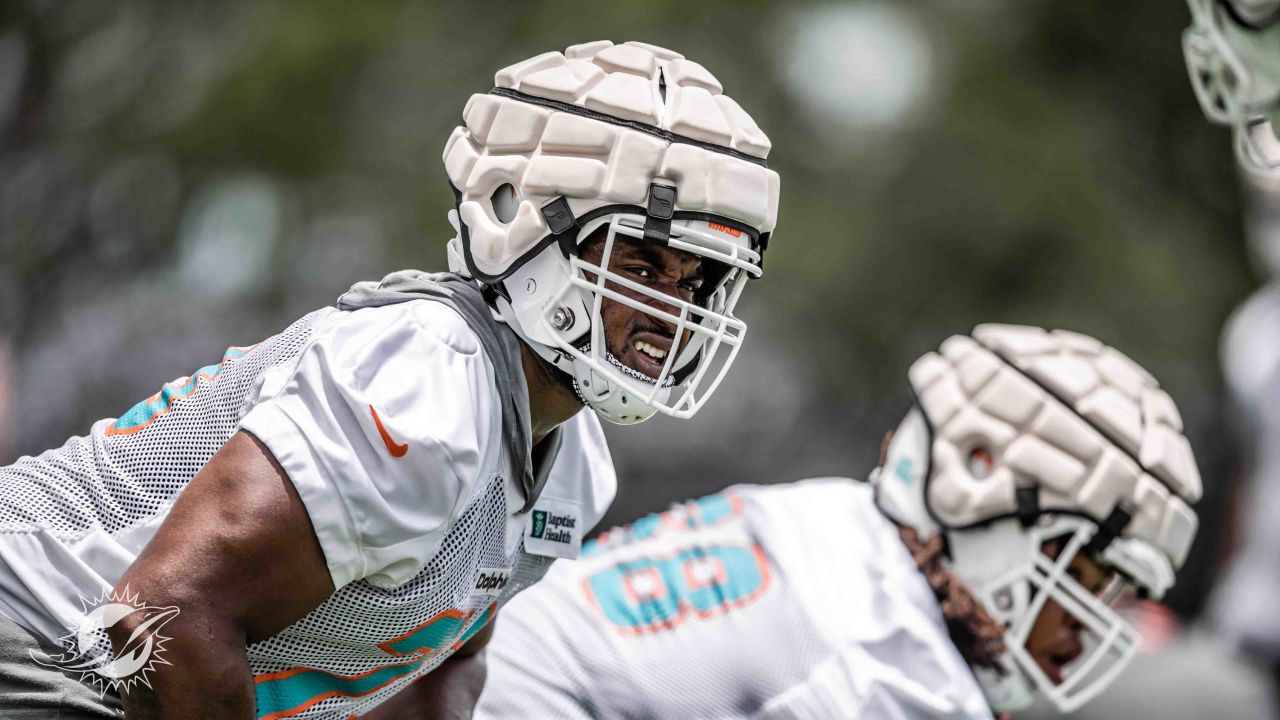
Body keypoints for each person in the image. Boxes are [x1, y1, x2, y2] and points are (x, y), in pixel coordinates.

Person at [0, 40, 780, 719]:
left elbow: (430, 679)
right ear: (528, 229)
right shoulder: (428, 380)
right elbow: (163, 619)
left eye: (695, 281)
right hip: (41, 642)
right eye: (641, 265)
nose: (671, 310)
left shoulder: (572, 463)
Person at [473, 324, 1201, 718]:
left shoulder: (838, 527)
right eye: (1084, 573)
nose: (1091, 622)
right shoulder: (895, 669)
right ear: (985, 510)